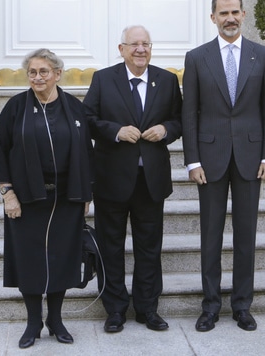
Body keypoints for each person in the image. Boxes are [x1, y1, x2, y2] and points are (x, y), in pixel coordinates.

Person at [181, 0, 265, 332]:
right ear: (213, 18)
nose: (230, 18)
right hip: (209, 160)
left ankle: (242, 306)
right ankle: (210, 306)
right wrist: (192, 160)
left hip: (251, 159)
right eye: (223, 13)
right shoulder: (196, 58)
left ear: (244, 13)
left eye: (235, 11)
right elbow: (189, 113)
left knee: (245, 236)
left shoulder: (262, 56)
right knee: (210, 236)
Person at [0, 48, 95, 349]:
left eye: (44, 71)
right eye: (32, 72)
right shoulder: (15, 108)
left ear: (58, 74)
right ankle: (33, 322)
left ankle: (56, 321)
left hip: (66, 198)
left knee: (62, 260)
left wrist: (86, 193)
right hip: (26, 199)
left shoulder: (75, 108)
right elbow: (0, 151)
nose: (37, 77)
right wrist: (7, 194)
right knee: (29, 261)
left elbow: (86, 153)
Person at [83, 25, 183, 334]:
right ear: (121, 48)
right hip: (112, 178)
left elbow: (180, 120)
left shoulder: (166, 80)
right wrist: (115, 131)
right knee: (111, 247)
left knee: (149, 248)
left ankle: (147, 308)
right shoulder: (103, 79)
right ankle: (114, 309)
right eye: (134, 44)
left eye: (146, 44)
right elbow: (86, 119)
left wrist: (166, 130)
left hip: (150, 180)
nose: (141, 49)